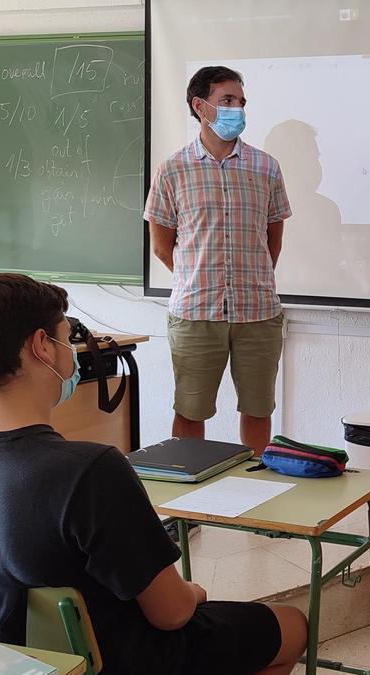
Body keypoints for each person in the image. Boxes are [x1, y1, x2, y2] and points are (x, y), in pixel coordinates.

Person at [0, 273, 307, 675]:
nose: (73, 352)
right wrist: (194, 592)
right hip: (120, 660)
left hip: (3, 662)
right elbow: (172, 614)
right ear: (42, 346)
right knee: (290, 624)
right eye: (67, 338)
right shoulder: (91, 471)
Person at [145, 65, 292, 453]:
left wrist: (251, 277)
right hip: (195, 313)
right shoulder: (172, 169)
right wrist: (197, 278)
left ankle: (256, 493)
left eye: (241, 102)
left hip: (257, 312)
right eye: (227, 100)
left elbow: (272, 240)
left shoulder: (265, 167)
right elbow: (161, 245)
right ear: (201, 106)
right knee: (191, 411)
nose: (237, 109)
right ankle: (191, 500)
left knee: (259, 410)